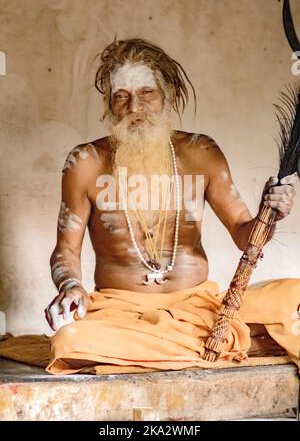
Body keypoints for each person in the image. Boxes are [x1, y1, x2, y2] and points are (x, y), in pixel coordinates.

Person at [45, 38, 299, 374]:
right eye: (122, 96)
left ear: (168, 95)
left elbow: (244, 234)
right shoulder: (86, 162)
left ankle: (173, 347)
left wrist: (271, 215)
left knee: (293, 297)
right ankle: (211, 346)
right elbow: (66, 251)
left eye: (147, 93)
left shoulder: (201, 152)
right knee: (69, 340)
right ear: (109, 104)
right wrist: (70, 286)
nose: (135, 107)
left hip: (200, 307)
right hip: (120, 312)